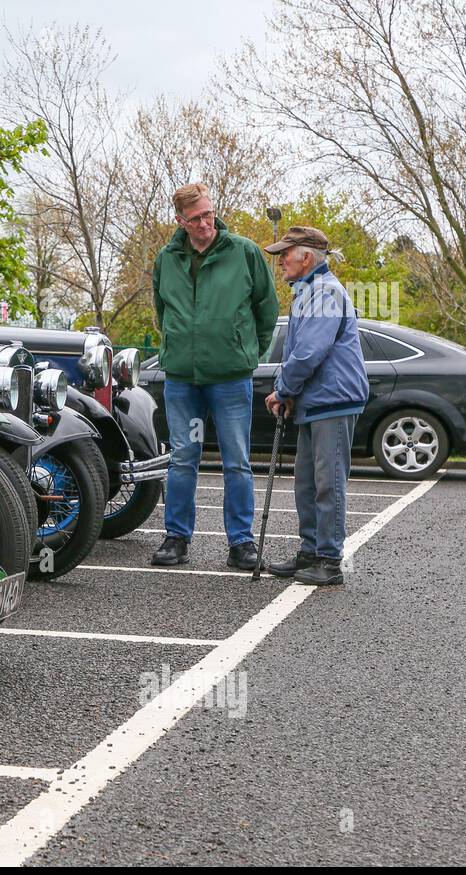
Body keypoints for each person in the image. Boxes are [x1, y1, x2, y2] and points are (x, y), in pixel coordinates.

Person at [151, 183, 278, 569]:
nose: (206, 222)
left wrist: (249, 354)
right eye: (196, 218)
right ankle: (176, 538)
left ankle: (241, 542)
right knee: (183, 457)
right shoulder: (166, 259)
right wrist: (176, 345)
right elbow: (162, 310)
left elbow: (266, 308)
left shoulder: (244, 252)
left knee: (236, 459)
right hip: (183, 382)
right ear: (180, 221)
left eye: (209, 214)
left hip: (230, 379)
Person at [262, 226, 370, 586]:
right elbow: (302, 351)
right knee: (307, 482)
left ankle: (328, 559)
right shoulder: (310, 291)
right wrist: (290, 391)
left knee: (328, 482)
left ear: (306, 257)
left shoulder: (324, 292)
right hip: (319, 399)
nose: (280, 262)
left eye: (285, 255)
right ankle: (311, 551)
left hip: (333, 400)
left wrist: (283, 389)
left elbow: (309, 352)